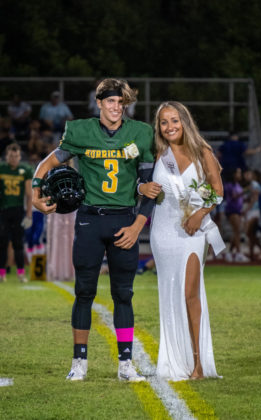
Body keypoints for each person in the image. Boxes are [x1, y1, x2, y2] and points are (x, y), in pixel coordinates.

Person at [32, 78, 161, 382]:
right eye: (111, 101)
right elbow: (48, 161)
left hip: (125, 222)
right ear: (99, 103)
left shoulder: (141, 134)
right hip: (89, 220)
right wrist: (36, 191)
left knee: (123, 294)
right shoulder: (81, 130)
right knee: (84, 291)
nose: (117, 107)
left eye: (122, 103)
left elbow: (150, 189)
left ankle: (126, 364)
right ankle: (79, 362)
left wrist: (138, 225)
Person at [150, 101, 225, 381]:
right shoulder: (158, 152)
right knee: (169, 295)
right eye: (163, 122)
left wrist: (200, 214)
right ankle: (173, 361)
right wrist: (141, 187)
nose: (169, 127)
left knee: (189, 294)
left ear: (184, 122)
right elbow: (140, 182)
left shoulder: (201, 151)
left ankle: (198, 365)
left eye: (174, 121)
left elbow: (217, 191)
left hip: (192, 232)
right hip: (162, 232)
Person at [0, 143, 33, 283]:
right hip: (3, 210)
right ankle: (2, 273)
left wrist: (29, 214)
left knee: (18, 243)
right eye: (11, 156)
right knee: (2, 243)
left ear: (20, 157)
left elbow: (29, 194)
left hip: (18, 210)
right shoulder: (1, 168)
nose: (13, 159)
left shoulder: (25, 170)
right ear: (6, 156)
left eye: (16, 156)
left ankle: (20, 273)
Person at [224, 168, 249, 262]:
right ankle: (238, 253)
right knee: (237, 231)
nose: (240, 175)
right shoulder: (229, 185)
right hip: (231, 210)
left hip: (238, 211)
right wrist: (245, 190)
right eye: (238, 173)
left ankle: (229, 253)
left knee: (236, 232)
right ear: (233, 174)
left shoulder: (238, 185)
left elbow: (240, 199)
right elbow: (234, 197)